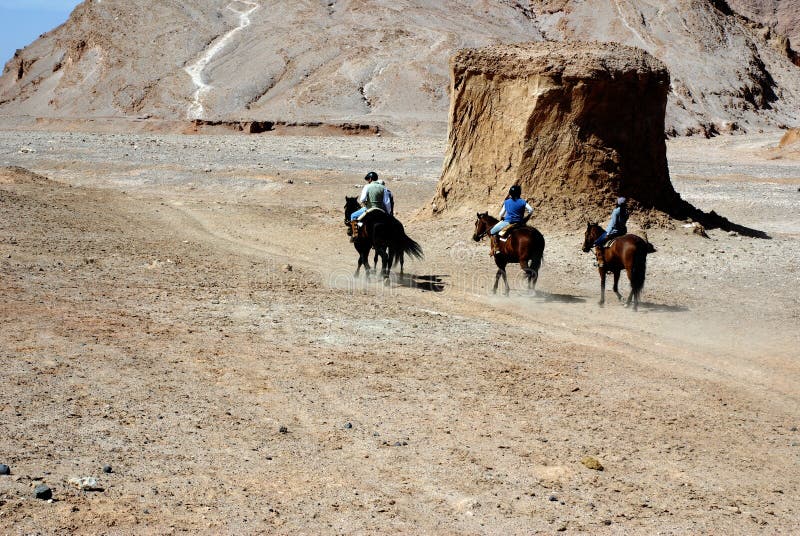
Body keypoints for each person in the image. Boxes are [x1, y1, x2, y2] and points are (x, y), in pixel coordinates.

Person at [489, 184, 533, 255]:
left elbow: (501, 214)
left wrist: (503, 217)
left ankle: (496, 247)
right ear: (519, 193)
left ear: (510, 193)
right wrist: (527, 217)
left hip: (508, 222)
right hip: (520, 222)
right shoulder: (522, 201)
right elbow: (531, 210)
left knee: (492, 231)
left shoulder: (507, 202)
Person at [593, 196, 629, 268]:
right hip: (623, 231)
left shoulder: (616, 211)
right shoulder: (626, 212)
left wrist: (608, 234)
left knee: (597, 242)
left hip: (614, 231)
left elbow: (613, 224)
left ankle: (601, 261)